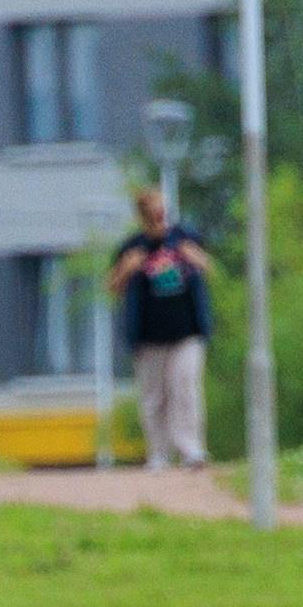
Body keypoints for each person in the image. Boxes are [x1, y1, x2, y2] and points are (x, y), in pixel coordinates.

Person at [110, 185, 213, 470]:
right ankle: (158, 454)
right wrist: (126, 270)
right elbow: (113, 287)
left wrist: (196, 258)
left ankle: (191, 450)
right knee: (154, 397)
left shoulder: (185, 239)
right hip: (148, 336)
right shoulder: (132, 247)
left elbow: (209, 267)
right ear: (143, 215)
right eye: (153, 211)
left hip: (187, 332)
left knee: (186, 389)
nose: (159, 216)